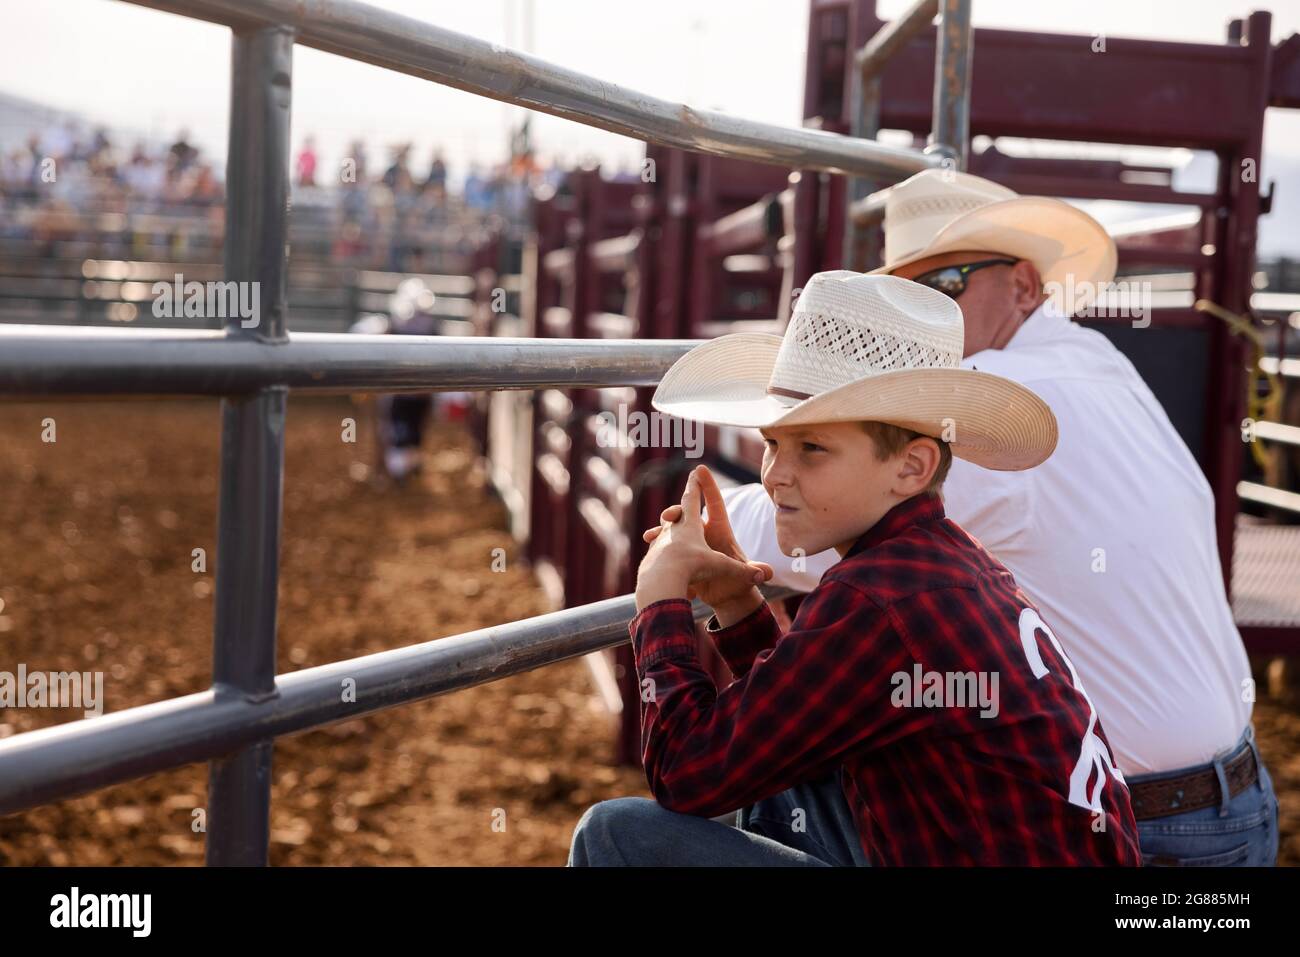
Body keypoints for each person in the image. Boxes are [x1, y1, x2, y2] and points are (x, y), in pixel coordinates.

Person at [720, 168, 1278, 866]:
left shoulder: (991, 416)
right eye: (907, 294)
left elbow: (789, 532)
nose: (926, 312)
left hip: (1138, 827)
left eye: (943, 286)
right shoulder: (1095, 360)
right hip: (1230, 802)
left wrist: (697, 515)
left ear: (1022, 286)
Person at [568, 271, 1140, 866]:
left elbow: (688, 775)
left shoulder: (881, 596)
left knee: (616, 834)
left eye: (812, 448)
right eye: (772, 443)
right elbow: (802, 711)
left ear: (912, 467)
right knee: (791, 772)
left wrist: (659, 608)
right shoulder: (944, 560)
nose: (774, 475)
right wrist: (738, 604)